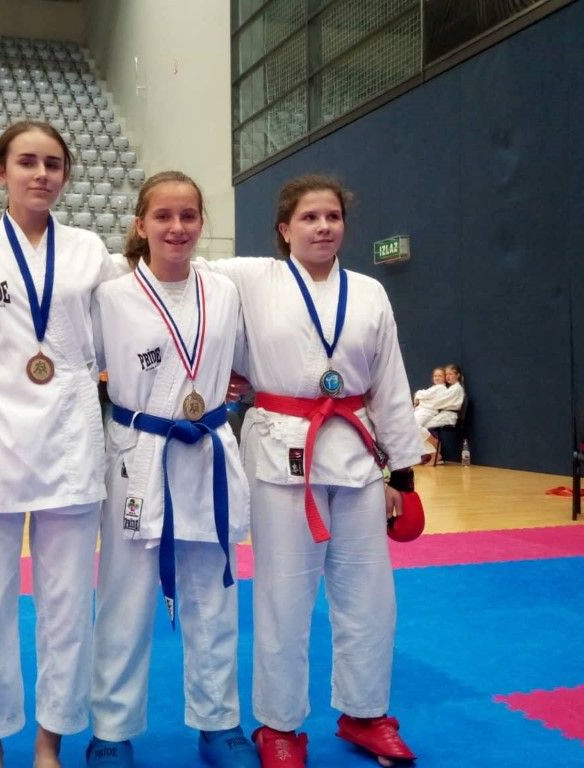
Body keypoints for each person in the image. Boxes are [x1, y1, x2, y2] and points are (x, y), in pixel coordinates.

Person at [198, 175, 424, 767]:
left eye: (332, 217)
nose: (323, 227)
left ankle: (365, 713)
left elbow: (390, 381)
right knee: (284, 596)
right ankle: (279, 727)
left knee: (371, 596)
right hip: (282, 452)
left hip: (355, 450)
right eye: (309, 217)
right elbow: (181, 279)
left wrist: (404, 475)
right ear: (284, 228)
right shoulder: (251, 278)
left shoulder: (370, 292)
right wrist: (220, 366)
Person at [0, 120, 118, 768]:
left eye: (52, 163)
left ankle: (50, 742)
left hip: (69, 437)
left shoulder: (89, 250)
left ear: (65, 175)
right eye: (26, 162)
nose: (41, 173)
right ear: (0, 172)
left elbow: (116, 332)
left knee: (67, 604)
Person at [86, 172, 259, 768]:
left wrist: (239, 385)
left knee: (214, 596)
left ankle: (220, 723)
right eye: (163, 216)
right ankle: (111, 728)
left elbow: (247, 359)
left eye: (188, 215)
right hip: (139, 454)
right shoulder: (111, 296)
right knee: (124, 597)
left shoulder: (225, 291)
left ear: (202, 222)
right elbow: (79, 364)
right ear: (141, 224)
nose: (177, 227)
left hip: (206, 448)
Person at [416, 364, 465, 463]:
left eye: (450, 374)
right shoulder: (451, 388)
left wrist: (421, 400)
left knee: (418, 428)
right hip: (442, 414)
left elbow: (438, 402)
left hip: (448, 416)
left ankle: (435, 448)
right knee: (420, 429)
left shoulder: (457, 388)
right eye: (447, 374)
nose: (448, 376)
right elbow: (437, 401)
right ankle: (433, 453)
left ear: (458, 375)